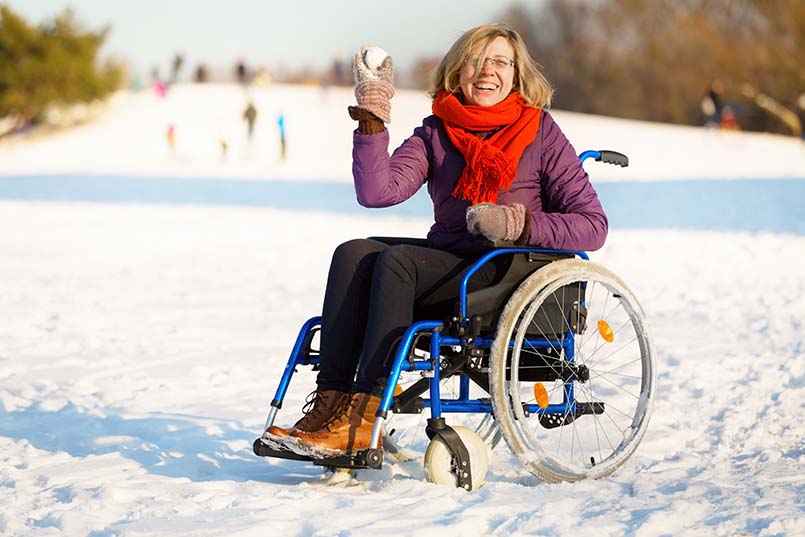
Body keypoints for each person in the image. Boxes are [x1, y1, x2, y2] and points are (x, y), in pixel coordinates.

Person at [262, 24, 608, 456]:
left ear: (517, 74)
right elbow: (376, 192)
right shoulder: (437, 131)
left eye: (500, 62)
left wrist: (518, 225)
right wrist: (372, 118)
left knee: (399, 262)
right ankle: (331, 405)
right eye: (475, 60)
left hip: (506, 275)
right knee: (353, 253)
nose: (487, 71)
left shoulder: (540, 132)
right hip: (447, 268)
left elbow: (593, 225)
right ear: (456, 70)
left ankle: (363, 417)